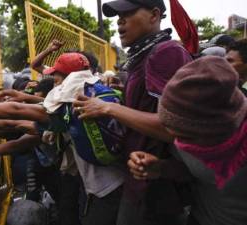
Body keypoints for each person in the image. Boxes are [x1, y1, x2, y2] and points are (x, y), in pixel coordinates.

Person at [0, 52, 125, 225]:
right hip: (116, 177)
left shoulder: (69, 103)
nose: (55, 87)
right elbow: (20, 118)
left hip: (103, 189)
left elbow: (17, 112)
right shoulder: (92, 91)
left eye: (56, 80)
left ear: (67, 78)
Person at [73, 0, 193, 224]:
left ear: (154, 15)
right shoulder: (145, 55)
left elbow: (176, 128)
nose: (120, 22)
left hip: (157, 189)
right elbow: (149, 106)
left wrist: (109, 107)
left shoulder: (166, 52)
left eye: (127, 14)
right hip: (140, 183)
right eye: (118, 17)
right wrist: (121, 93)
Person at [128, 56, 247, 225]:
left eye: (185, 137)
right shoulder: (191, 139)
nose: (178, 144)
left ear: (212, 134)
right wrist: (161, 167)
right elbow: (196, 172)